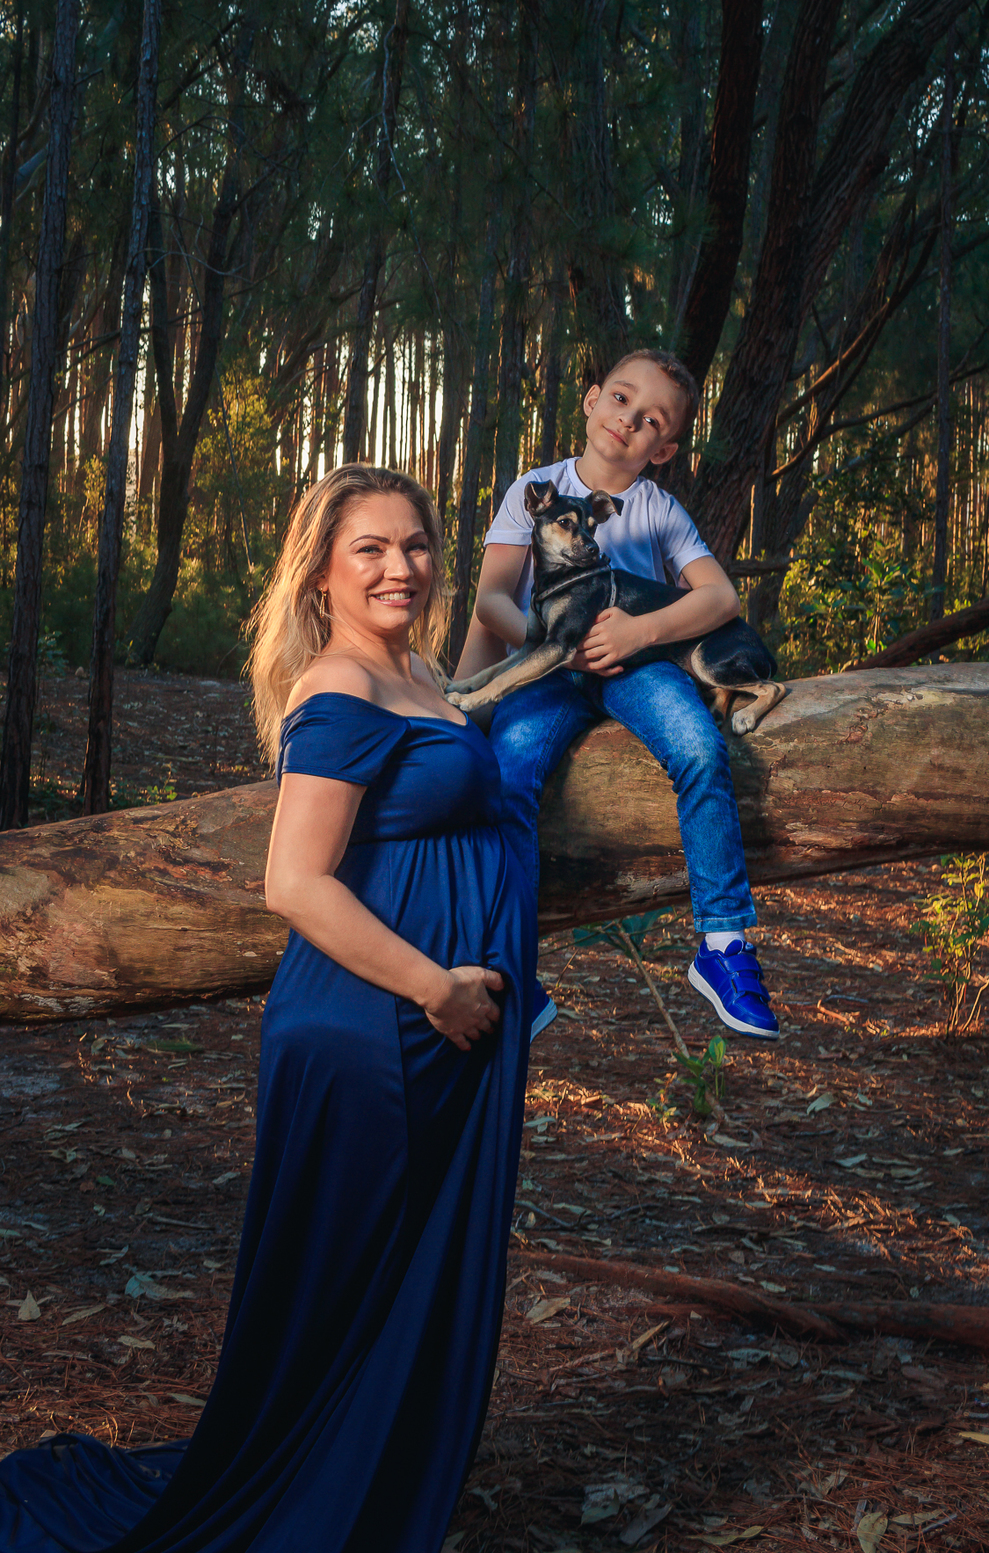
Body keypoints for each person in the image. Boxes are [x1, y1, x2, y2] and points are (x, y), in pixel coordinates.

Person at [0, 465, 536, 1553]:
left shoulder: (420, 671)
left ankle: (362, 1492)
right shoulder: (339, 689)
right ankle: (307, 1510)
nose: (401, 566)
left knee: (391, 1289)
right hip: (380, 1030)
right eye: (371, 549)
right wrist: (437, 988)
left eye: (417, 545)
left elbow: (497, 699)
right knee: (341, 1291)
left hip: (435, 1030)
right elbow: (293, 882)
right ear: (323, 572)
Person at [453, 347, 778, 1042]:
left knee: (697, 746)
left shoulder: (659, 510)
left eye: (652, 419)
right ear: (593, 398)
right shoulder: (533, 488)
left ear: (665, 448)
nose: (630, 420)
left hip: (636, 666)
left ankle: (723, 944)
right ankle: (513, 962)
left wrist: (637, 635)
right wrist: (550, 646)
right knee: (509, 774)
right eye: (622, 400)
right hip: (547, 668)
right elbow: (490, 601)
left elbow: (720, 596)